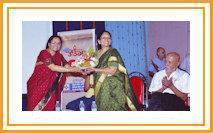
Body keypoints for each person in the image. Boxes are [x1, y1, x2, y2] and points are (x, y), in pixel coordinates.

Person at [66, 31, 141, 111]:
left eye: (108, 38)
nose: (106, 40)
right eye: (104, 38)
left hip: (113, 88)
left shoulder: (113, 52)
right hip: (101, 89)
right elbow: (91, 70)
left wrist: (95, 69)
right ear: (99, 41)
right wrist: (84, 71)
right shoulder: (95, 54)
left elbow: (112, 70)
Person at [27, 35, 81, 111]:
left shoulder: (59, 56)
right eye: (54, 42)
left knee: (51, 109)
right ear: (49, 44)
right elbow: (53, 67)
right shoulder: (44, 53)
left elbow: (67, 66)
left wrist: (81, 70)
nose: (56, 45)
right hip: (38, 87)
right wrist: (71, 70)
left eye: (59, 43)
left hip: (52, 88)